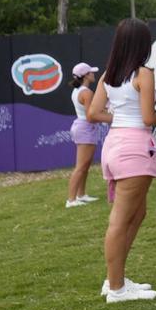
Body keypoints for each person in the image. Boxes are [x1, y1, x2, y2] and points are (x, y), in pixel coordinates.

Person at [88, 18, 156, 303]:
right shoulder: (143, 73)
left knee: (137, 213)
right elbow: (148, 118)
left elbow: (94, 113)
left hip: (115, 145)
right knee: (120, 220)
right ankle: (117, 287)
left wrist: (121, 118)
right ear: (143, 45)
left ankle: (116, 279)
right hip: (135, 146)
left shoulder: (110, 74)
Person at [66, 62, 105, 207]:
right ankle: (71, 200)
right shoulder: (86, 93)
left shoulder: (79, 91)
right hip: (85, 128)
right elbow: (91, 116)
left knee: (85, 165)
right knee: (81, 166)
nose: (94, 74)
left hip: (82, 127)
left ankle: (81, 195)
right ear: (86, 76)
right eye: (91, 72)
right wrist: (108, 115)